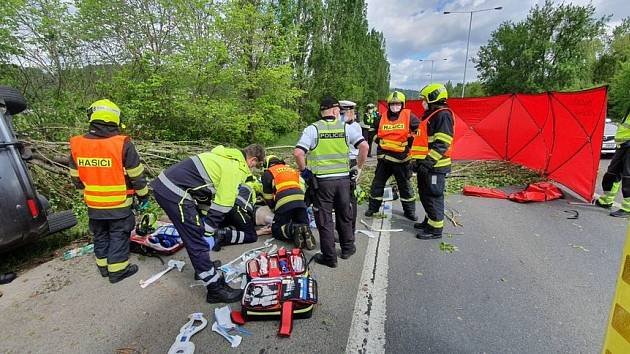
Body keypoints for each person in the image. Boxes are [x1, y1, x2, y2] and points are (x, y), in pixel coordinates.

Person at [150, 144, 265, 303]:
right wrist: (208, 231)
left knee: (196, 234)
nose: (253, 170)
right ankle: (215, 289)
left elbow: (205, 193)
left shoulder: (224, 157)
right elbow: (223, 204)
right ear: (252, 160)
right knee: (197, 239)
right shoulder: (234, 168)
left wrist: (204, 220)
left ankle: (203, 267)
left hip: (169, 187)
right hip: (174, 192)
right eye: (255, 166)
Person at [69, 99, 148, 283]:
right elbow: (136, 175)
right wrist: (144, 196)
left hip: (94, 204)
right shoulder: (122, 143)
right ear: (115, 119)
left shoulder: (77, 144)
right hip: (119, 204)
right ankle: (117, 271)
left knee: (100, 234)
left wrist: (87, 195)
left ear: (92, 117)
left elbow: (75, 177)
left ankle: (103, 268)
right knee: (118, 235)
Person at [294, 96, 368, 267]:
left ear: (321, 112)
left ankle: (330, 257)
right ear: (335, 111)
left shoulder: (313, 129)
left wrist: (304, 171)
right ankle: (348, 248)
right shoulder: (345, 128)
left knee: (325, 219)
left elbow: (298, 153)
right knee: (345, 215)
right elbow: (364, 147)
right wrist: (358, 167)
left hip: (322, 184)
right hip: (343, 181)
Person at [365, 91, 419, 220]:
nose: (395, 106)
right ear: (389, 105)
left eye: (398, 103)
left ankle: (409, 212)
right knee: (377, 185)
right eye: (393, 103)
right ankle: (373, 208)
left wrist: (411, 141)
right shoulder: (382, 117)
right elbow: (372, 131)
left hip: (402, 160)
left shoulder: (409, 116)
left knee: (405, 187)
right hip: (385, 159)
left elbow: (420, 130)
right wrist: (378, 140)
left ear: (402, 104)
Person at [413, 84, 455, 239]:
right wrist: (417, 162)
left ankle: (436, 229)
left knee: (434, 196)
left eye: (424, 99)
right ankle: (429, 220)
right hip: (427, 165)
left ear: (433, 97)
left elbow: (442, 143)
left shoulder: (443, 115)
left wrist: (428, 162)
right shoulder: (432, 114)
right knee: (425, 194)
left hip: (436, 166)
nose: (422, 102)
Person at [261, 155, 315, 249]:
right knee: (302, 222)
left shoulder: (268, 173)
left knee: (276, 229)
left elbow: (268, 197)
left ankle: (294, 230)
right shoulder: (291, 170)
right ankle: (303, 229)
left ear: (267, 164)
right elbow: (302, 186)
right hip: (300, 199)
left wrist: (274, 210)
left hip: (283, 201)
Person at [596, 108, 630, 217]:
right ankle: (606, 200)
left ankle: (627, 208)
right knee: (611, 173)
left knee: (628, 177)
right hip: (622, 146)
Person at [207, 183, 260, 251]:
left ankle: (219, 232)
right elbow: (265, 192)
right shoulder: (253, 182)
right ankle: (222, 235)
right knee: (252, 236)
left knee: (237, 225)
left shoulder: (235, 179)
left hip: (225, 207)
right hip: (238, 208)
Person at [340, 100, 362, 235]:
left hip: (350, 162)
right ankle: (345, 228)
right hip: (343, 162)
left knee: (349, 199)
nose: (341, 115)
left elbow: (363, 148)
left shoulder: (353, 127)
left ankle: (349, 230)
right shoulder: (343, 125)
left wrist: (359, 167)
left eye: (344, 113)